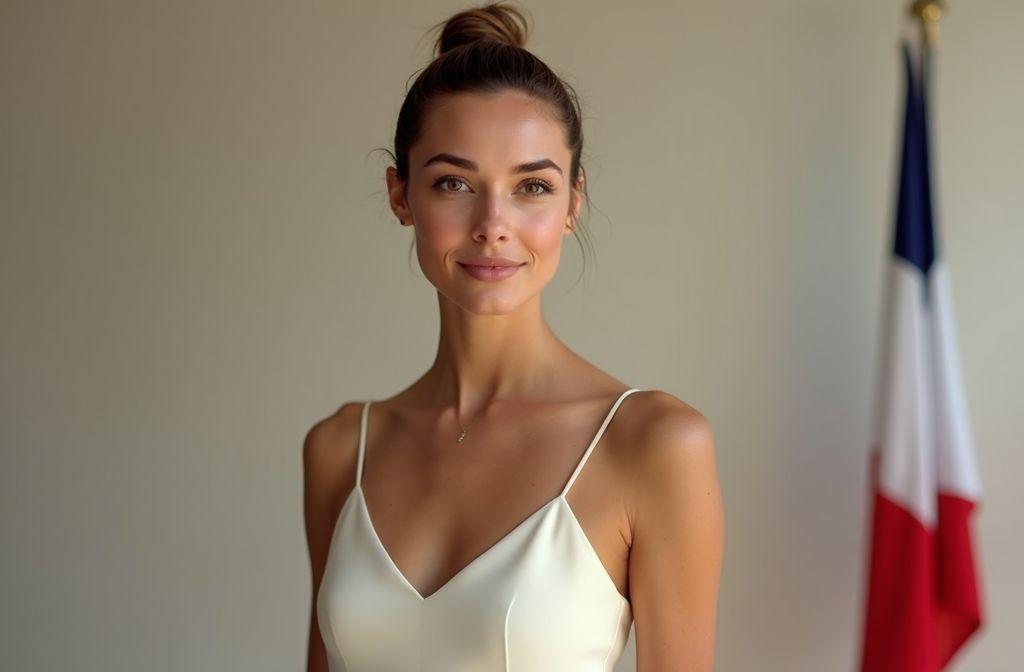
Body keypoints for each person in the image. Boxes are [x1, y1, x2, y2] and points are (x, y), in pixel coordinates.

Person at [303, 3, 724, 670]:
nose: (493, 223)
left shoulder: (653, 444)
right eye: (453, 183)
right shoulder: (339, 451)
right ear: (400, 195)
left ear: (571, 205)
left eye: (531, 185)